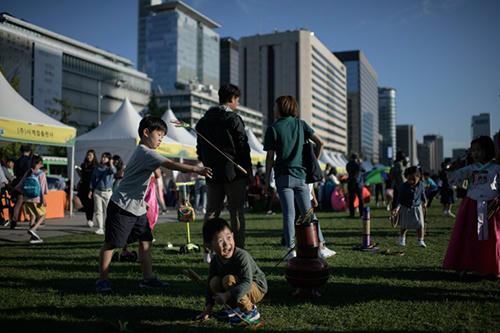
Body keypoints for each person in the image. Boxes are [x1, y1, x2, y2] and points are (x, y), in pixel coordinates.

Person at [96, 116, 212, 295]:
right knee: (112, 244)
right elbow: (171, 164)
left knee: (146, 241)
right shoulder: (145, 152)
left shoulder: (145, 152)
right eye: (159, 134)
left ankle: (148, 279)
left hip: (138, 207)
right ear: (146, 133)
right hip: (122, 206)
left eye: (163, 136)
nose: (160, 139)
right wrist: (198, 170)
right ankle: (102, 281)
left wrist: (142, 202)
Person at [263, 95, 334, 260]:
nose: (274, 109)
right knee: (308, 213)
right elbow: (321, 142)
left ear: (281, 108)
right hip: (301, 176)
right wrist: (313, 160)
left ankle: (290, 249)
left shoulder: (273, 128)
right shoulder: (301, 125)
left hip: (282, 176)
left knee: (289, 214)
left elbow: (269, 157)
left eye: (275, 106)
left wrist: (267, 180)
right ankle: (320, 246)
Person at [196, 84, 252, 256]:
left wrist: (206, 162)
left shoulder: (203, 121)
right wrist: (247, 169)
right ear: (232, 99)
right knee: (236, 211)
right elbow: (243, 146)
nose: (237, 104)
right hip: (233, 173)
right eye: (237, 100)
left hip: (212, 172)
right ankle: (239, 250)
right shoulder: (234, 119)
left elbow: (199, 149)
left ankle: (207, 251)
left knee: (212, 211)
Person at [443, 136, 500, 278]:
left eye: (479, 150)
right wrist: (451, 168)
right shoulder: (470, 168)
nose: (475, 153)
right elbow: (454, 178)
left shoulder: (496, 168)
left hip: (492, 205)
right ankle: (465, 265)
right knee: (469, 236)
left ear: (488, 150)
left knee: (493, 237)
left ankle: (493, 266)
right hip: (472, 205)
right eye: (473, 150)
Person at [196, 217, 266, 324]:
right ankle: (234, 308)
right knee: (214, 282)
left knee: (228, 280)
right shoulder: (215, 261)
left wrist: (226, 295)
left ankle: (250, 310)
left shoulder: (242, 256)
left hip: (256, 287)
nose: (227, 244)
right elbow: (209, 288)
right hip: (237, 286)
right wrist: (208, 310)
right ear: (209, 246)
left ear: (233, 236)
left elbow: (247, 283)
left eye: (229, 238)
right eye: (220, 241)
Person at [14, 155, 48, 244]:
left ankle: (33, 238)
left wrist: (18, 191)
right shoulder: (41, 174)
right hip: (37, 198)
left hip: (27, 199)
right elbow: (42, 188)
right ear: (39, 163)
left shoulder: (28, 172)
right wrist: (43, 200)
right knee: (43, 215)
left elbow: (20, 185)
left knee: (32, 216)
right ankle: (33, 229)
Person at [392, 166, 427, 248]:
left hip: (417, 207)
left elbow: (422, 194)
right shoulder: (403, 186)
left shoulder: (421, 185)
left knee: (420, 225)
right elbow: (399, 199)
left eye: (413, 179)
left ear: (419, 177)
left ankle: (420, 240)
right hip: (405, 207)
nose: (411, 181)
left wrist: (425, 201)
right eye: (409, 179)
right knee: (404, 225)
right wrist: (397, 208)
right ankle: (402, 238)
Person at [89, 152, 116, 235]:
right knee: (98, 210)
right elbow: (93, 179)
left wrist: (111, 163)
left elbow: (114, 171)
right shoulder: (97, 168)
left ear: (109, 159)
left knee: (108, 211)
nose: (103, 158)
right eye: (102, 157)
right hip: (97, 191)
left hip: (107, 192)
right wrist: (91, 190)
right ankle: (100, 228)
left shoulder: (109, 168)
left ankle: (109, 227)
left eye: (105, 157)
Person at [10, 145, 31, 229]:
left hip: (19, 184)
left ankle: (14, 221)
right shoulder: (29, 161)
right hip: (28, 183)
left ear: (21, 151)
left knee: (18, 203)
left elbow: (15, 173)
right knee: (31, 202)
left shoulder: (17, 161)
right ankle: (33, 221)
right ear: (29, 152)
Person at [77, 150, 98, 228]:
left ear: (94, 156)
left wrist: (92, 189)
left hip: (92, 186)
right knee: (85, 203)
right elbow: (82, 176)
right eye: (88, 155)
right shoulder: (83, 165)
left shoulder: (96, 166)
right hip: (83, 185)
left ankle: (90, 219)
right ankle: (88, 219)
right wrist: (78, 172)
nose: (89, 157)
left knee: (90, 204)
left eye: (90, 155)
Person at [346, 153, 365, 218]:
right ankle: (361, 214)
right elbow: (364, 169)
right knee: (360, 199)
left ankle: (352, 214)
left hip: (350, 183)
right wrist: (361, 162)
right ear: (357, 158)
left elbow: (348, 170)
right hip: (358, 183)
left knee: (351, 199)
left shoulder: (348, 164)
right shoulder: (359, 164)